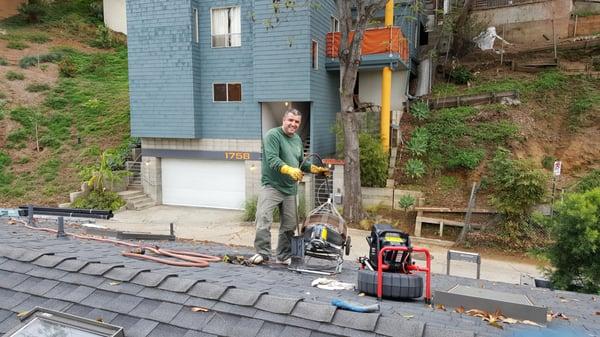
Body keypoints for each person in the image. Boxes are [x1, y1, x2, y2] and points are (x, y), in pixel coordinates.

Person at [249, 108, 329, 265]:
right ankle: (262, 253)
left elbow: (301, 163)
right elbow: (272, 159)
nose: (293, 124)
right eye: (290, 120)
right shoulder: (273, 135)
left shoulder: (297, 140)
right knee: (263, 217)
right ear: (284, 120)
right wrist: (288, 169)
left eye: (297, 122)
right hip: (272, 186)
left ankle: (283, 255)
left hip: (290, 189)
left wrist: (316, 170)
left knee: (289, 225)